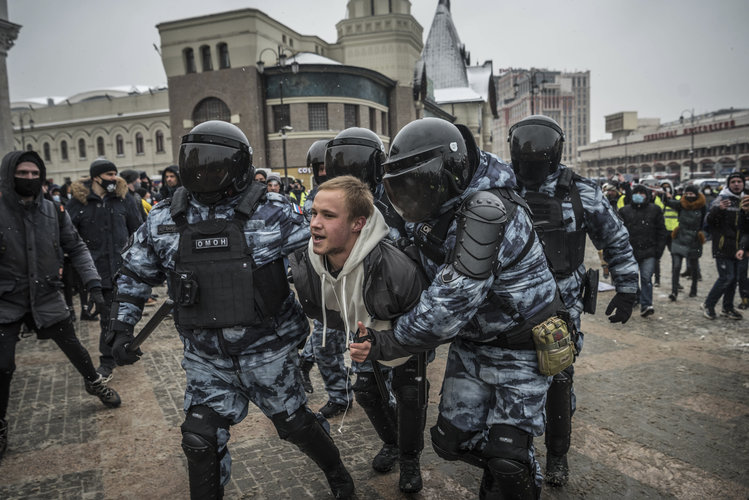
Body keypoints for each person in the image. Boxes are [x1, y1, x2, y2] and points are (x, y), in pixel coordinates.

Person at [107, 121, 354, 499]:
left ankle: (337, 474)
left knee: (295, 425)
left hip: (268, 352)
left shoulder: (274, 212)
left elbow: (327, 254)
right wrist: (122, 328)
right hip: (206, 358)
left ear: (237, 166)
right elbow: (135, 275)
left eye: (214, 165)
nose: (204, 172)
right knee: (199, 440)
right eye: (197, 163)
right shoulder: (163, 219)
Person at [351, 117, 574, 499]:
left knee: (507, 457)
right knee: (449, 442)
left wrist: (386, 342)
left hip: (522, 346)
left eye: (418, 187)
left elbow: (447, 306)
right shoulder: (440, 207)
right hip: (474, 343)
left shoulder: (487, 212)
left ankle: (519, 472)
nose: (411, 200)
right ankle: (505, 468)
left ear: (448, 175)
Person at [508, 115, 639, 486]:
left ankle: (557, 456)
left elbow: (614, 239)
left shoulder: (581, 191)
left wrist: (628, 287)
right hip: (506, 304)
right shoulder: (499, 187)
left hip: (561, 304)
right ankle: (510, 453)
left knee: (559, 377)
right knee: (508, 377)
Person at [291, 175, 429, 493]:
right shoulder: (308, 263)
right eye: (313, 213)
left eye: (328, 215)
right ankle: (393, 443)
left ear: (358, 224)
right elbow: (326, 312)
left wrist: (382, 344)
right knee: (366, 390)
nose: (314, 224)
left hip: (403, 334)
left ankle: (410, 459)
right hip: (363, 333)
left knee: (410, 393)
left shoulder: (396, 271)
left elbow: (425, 332)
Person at [0, 150, 121, 463]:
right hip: (6, 299)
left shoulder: (53, 211)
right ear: (9, 175)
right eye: (22, 174)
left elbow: (77, 247)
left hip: (46, 295)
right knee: (2, 366)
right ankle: (0, 423)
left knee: (76, 349)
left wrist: (93, 285)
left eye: (33, 174)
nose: (28, 179)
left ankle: (95, 383)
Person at [66, 159, 142, 382]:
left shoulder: (123, 200)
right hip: (96, 272)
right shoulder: (78, 203)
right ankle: (107, 361)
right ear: (95, 177)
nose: (113, 179)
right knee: (107, 317)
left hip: (124, 270)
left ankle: (123, 347)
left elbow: (137, 230)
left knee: (125, 313)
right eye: (109, 174)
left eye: (115, 174)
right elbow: (70, 237)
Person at [296, 139, 356, 417]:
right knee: (325, 344)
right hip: (327, 284)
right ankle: (340, 395)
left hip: (356, 284)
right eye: (317, 168)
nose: (322, 173)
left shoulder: (355, 196)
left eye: (326, 167)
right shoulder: (314, 196)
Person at [701, 172, 748, 320]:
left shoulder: (746, 200)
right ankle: (708, 304)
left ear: (743, 184)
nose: (736, 184)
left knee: (734, 280)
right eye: (733, 181)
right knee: (726, 277)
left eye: (739, 181)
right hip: (723, 246)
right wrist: (718, 210)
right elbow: (707, 223)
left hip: (739, 247)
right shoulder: (721, 199)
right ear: (728, 184)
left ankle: (727, 308)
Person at [618, 184, 668, 318]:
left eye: (642, 193)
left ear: (647, 195)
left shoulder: (655, 210)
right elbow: (619, 232)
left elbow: (661, 232)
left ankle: (646, 305)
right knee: (632, 279)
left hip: (649, 251)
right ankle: (636, 297)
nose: (639, 196)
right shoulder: (624, 211)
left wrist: (659, 250)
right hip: (630, 252)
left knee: (646, 278)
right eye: (636, 193)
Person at [664, 184, 707, 300]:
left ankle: (694, 289)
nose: (689, 196)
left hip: (694, 239)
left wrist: (702, 234)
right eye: (687, 194)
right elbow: (668, 203)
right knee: (676, 266)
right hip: (680, 237)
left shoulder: (702, 206)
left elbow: (705, 223)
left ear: (696, 195)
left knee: (693, 267)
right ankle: (674, 292)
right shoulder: (681, 204)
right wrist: (666, 196)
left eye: (691, 194)